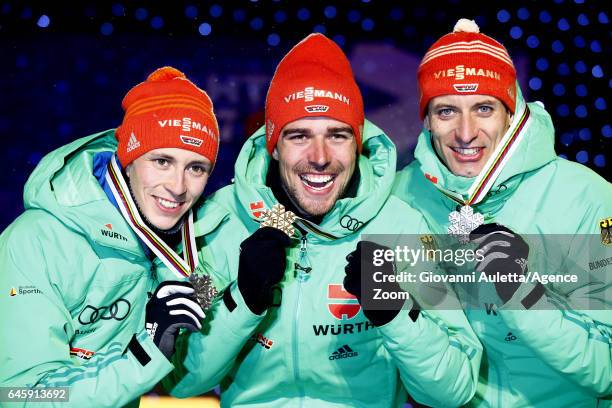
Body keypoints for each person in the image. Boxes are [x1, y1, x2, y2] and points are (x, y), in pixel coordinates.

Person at [159, 33, 482, 407]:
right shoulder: (221, 222)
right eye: (299, 135)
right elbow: (178, 382)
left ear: (357, 142)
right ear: (274, 145)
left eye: (337, 135)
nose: (320, 156)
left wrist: (395, 313)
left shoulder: (401, 227)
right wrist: (242, 302)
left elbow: (453, 391)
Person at [393, 19, 612, 407]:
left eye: (483, 108)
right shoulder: (399, 199)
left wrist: (524, 296)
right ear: (425, 119)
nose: (465, 132)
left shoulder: (586, 197)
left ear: (510, 113)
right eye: (446, 111)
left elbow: (607, 372)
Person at [0, 67, 216, 407]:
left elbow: (186, 383)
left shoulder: (183, 246)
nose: (178, 187)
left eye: (196, 168)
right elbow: (20, 398)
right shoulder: (35, 241)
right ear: (128, 159)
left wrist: (247, 304)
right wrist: (143, 354)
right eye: (162, 161)